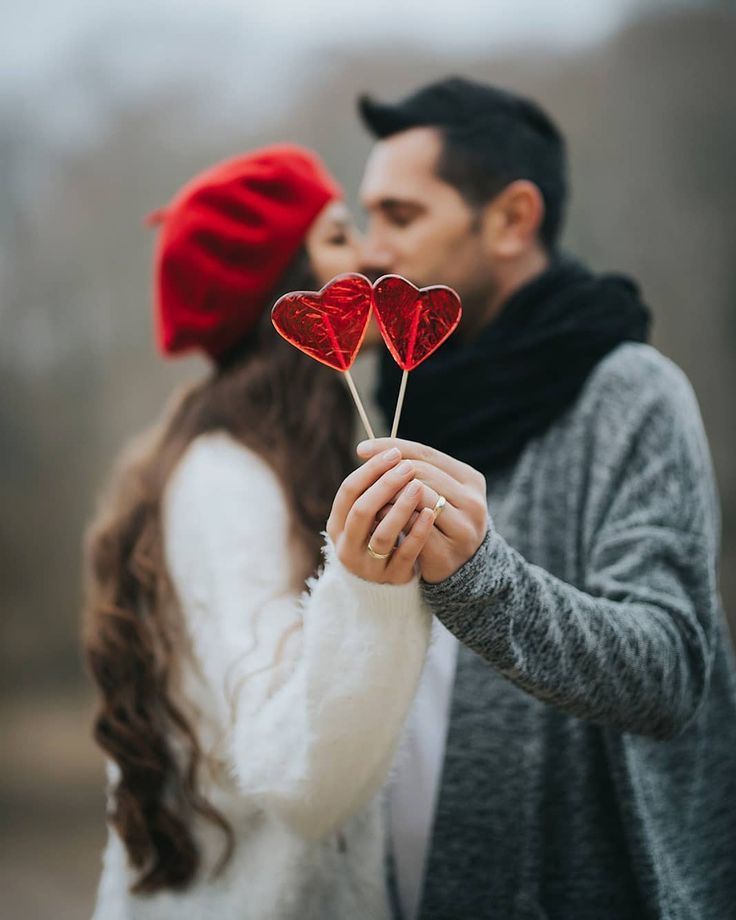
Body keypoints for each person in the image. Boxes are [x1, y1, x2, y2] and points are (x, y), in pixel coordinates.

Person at [356, 77, 736, 919]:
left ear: (512, 219)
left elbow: (672, 670)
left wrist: (481, 579)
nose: (369, 249)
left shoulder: (632, 394)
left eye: (402, 216)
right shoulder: (402, 403)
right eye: (367, 216)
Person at [83, 145, 439, 920]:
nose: (375, 255)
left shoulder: (292, 459)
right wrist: (375, 584)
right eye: (341, 237)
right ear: (285, 287)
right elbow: (297, 771)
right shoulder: (221, 483)